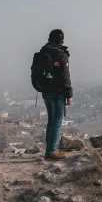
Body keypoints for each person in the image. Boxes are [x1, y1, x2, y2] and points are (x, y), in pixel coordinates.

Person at [40, 29, 73, 160]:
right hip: (57, 92)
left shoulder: (43, 51)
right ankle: (51, 151)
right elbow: (65, 75)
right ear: (62, 41)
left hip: (45, 91)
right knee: (57, 122)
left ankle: (49, 149)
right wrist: (69, 94)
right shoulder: (61, 54)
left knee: (51, 122)